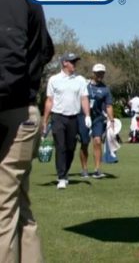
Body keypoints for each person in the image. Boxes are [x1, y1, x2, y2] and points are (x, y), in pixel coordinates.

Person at [0, 0, 54, 262]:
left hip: (10, 111)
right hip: (23, 109)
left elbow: (8, 54)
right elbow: (46, 48)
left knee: (2, 209)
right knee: (19, 207)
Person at [43, 52, 92, 190]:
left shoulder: (80, 80)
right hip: (58, 117)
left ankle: (65, 172)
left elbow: (84, 98)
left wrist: (87, 115)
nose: (74, 64)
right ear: (64, 63)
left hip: (74, 118)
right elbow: (49, 100)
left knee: (70, 148)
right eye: (72, 62)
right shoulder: (54, 80)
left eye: (75, 61)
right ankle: (62, 177)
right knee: (60, 147)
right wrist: (45, 121)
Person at [80, 63, 113, 178]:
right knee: (84, 142)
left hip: (98, 118)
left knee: (98, 141)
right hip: (83, 117)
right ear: (93, 73)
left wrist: (112, 120)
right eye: (98, 73)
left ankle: (97, 169)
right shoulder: (84, 85)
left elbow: (109, 106)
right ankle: (84, 169)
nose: (100, 75)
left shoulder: (105, 89)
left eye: (102, 73)